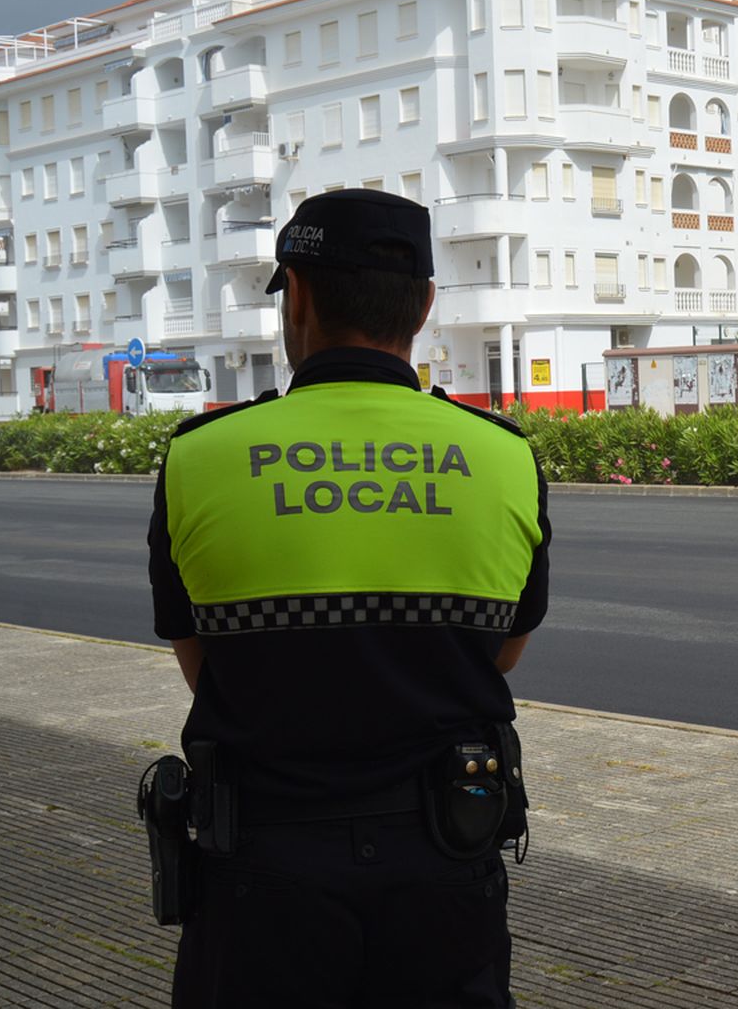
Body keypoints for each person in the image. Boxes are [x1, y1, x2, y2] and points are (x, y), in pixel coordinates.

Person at [147, 189, 549, 1007]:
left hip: (262, 876)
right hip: (446, 867)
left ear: (295, 294)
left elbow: (202, 666)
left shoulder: (201, 456)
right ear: (425, 305)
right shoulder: (503, 455)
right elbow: (505, 651)